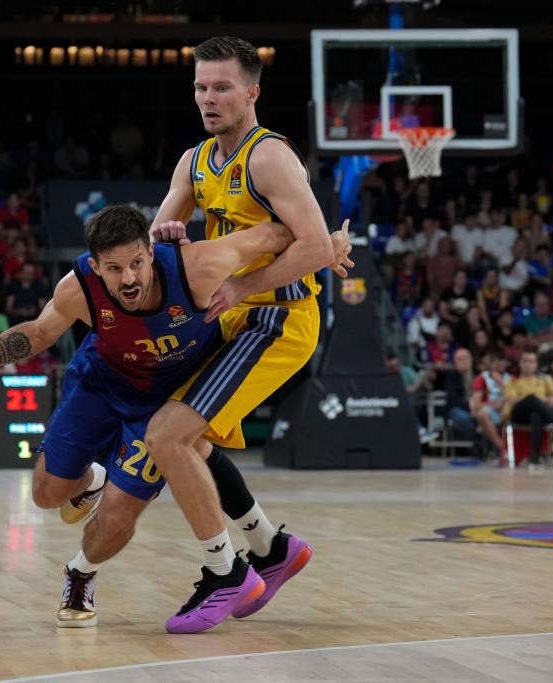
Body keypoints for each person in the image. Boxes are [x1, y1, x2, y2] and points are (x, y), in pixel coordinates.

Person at [0, 204, 352, 632]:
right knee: (46, 495)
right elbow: (39, 333)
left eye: (137, 264)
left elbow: (274, 234)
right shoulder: (79, 287)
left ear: (149, 250)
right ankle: (93, 479)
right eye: (114, 269)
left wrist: (326, 243)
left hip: (159, 403)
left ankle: (80, 574)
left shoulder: (197, 267)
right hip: (99, 383)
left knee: (118, 515)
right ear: (95, 266)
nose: (128, 279)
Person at [142, 36, 344, 633]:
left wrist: (244, 283)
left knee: (169, 436)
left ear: (252, 92)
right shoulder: (195, 160)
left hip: (277, 320)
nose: (209, 98)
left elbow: (316, 247)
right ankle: (272, 549)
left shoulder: (269, 157)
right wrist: (172, 235)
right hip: (231, 314)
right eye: (201, 87)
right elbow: (159, 232)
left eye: (222, 86)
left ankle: (226, 573)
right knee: (189, 439)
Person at [502, 350, 553, 464]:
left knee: (536, 415)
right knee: (531, 399)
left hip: (538, 413)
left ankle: (534, 457)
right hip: (518, 413)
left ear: (536, 364)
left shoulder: (545, 379)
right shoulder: (512, 381)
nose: (527, 364)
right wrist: (540, 400)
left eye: (531, 361)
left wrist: (552, 399)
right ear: (520, 363)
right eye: (525, 361)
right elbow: (512, 399)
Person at [471, 351, 510, 460]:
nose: (500, 365)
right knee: (482, 414)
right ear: (491, 365)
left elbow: (514, 397)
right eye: (496, 363)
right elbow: (477, 403)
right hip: (490, 410)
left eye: (502, 362)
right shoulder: (481, 379)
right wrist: (491, 405)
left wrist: (501, 383)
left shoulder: (510, 378)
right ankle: (501, 447)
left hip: (507, 409)